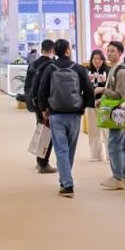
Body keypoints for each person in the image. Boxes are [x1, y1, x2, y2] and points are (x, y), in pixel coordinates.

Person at [36, 39, 93, 198]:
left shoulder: (50, 68)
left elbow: (42, 89)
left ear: (55, 52)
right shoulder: (79, 68)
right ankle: (66, 180)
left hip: (56, 113)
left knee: (61, 149)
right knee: (70, 149)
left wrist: (43, 108)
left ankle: (66, 184)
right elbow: (89, 90)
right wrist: (84, 106)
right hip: (75, 114)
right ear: (68, 51)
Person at [101, 43, 125, 190]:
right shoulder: (115, 69)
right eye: (108, 51)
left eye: (113, 51)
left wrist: (102, 90)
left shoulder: (121, 72)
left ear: (120, 53)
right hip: (122, 111)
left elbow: (119, 95)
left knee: (114, 143)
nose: (109, 53)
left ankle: (118, 177)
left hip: (119, 112)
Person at [24, 39, 57, 174]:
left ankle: (40, 161)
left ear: (42, 49)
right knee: (47, 133)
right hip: (45, 104)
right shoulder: (51, 65)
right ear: (53, 51)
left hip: (34, 102)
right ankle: (43, 163)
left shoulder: (33, 63)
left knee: (41, 129)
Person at [83, 49, 109, 163]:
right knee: (93, 130)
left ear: (103, 60)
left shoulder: (108, 70)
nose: (97, 61)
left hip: (105, 103)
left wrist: (105, 80)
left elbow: (112, 86)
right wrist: (87, 80)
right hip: (90, 103)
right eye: (95, 58)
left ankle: (110, 155)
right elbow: (81, 86)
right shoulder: (86, 70)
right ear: (91, 60)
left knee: (107, 130)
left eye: (99, 59)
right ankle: (96, 155)